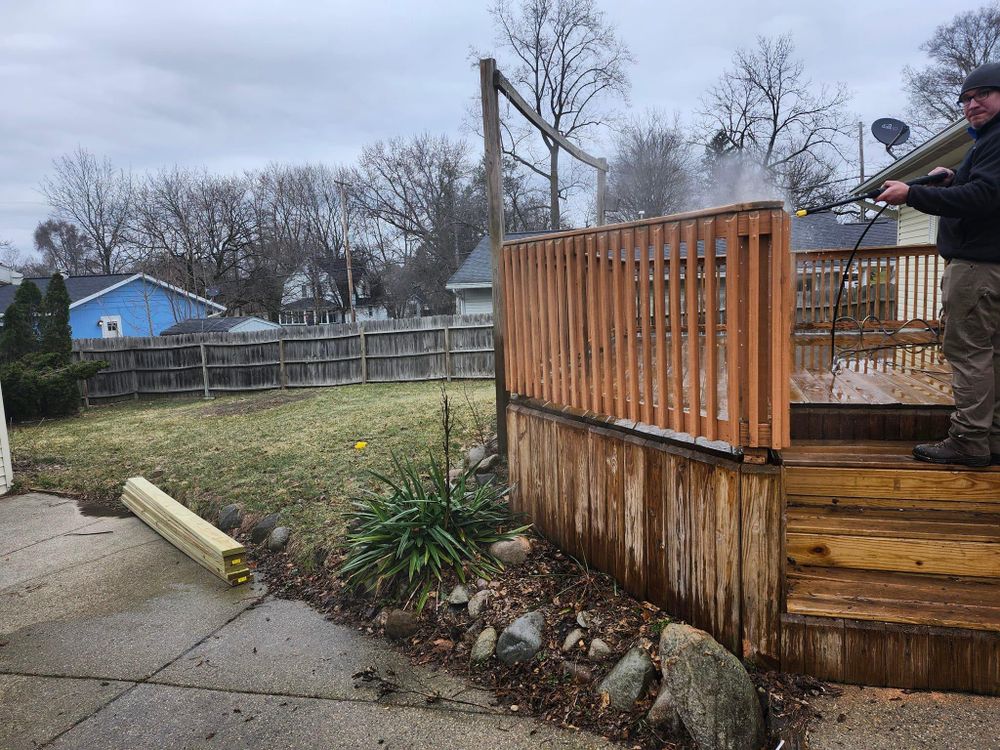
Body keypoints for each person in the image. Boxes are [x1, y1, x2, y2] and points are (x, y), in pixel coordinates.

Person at [876, 62, 1000, 467]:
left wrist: (912, 194)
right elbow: (981, 191)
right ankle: (991, 437)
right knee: (991, 354)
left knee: (968, 353)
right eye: (965, 98)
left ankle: (967, 441)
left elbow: (983, 198)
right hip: (989, 264)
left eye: (982, 94)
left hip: (977, 267)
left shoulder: (996, 141)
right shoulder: (987, 142)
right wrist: (952, 180)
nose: (971, 103)